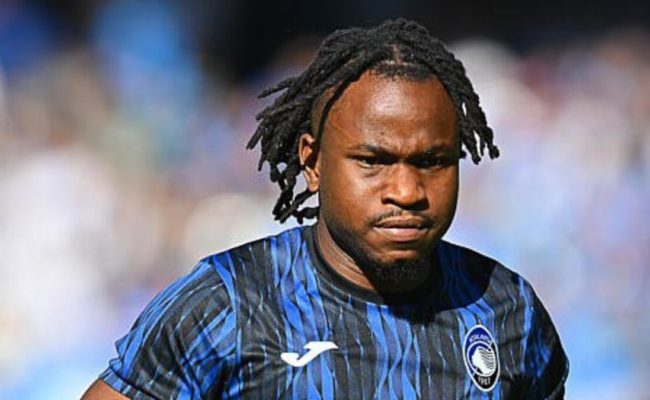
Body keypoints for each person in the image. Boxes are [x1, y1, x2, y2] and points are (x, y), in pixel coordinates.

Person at [83, 18, 568, 399]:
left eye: (432, 161)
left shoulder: (508, 309)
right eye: (373, 161)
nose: (406, 190)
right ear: (313, 163)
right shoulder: (225, 303)